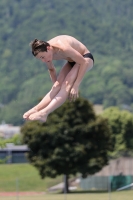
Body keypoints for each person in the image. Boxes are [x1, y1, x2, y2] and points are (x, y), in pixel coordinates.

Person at [23, 35, 94, 122]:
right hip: (72, 61)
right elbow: (51, 69)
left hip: (85, 58)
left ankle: (44, 113)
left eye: (42, 57)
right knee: (57, 86)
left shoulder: (63, 48)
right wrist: (56, 86)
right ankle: (36, 109)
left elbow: (83, 62)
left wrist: (76, 85)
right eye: (40, 58)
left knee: (66, 84)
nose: (43, 60)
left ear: (48, 48)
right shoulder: (46, 51)